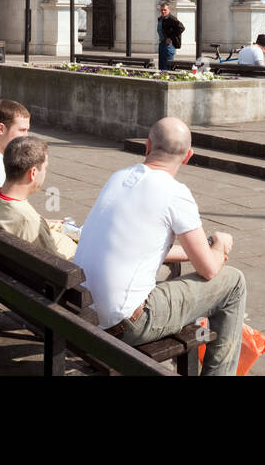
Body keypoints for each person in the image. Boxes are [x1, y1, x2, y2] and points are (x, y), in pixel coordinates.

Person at [74, 117, 246, 376]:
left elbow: (147, 248)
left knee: (171, 270)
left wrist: (197, 251)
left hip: (84, 311)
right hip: (124, 324)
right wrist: (220, 245)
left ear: (147, 145)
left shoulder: (118, 177)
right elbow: (209, 270)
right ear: (188, 156)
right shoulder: (175, 194)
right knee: (233, 282)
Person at [0, 135, 77, 259]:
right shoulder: (29, 221)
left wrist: (46, 223)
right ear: (33, 173)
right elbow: (55, 264)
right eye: (45, 168)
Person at [157, 2, 184, 71]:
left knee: (167, 65)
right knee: (161, 65)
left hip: (169, 45)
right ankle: (161, 78)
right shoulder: (160, 19)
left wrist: (171, 37)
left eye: (165, 10)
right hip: (162, 43)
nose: (163, 11)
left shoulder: (172, 19)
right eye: (162, 10)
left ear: (169, 10)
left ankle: (168, 78)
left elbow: (181, 28)